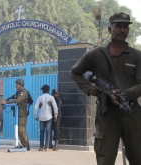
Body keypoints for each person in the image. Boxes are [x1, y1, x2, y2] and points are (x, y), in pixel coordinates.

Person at [70, 12, 141, 165]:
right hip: (107, 114)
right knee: (105, 159)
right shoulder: (96, 54)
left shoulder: (136, 56)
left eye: (125, 27)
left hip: (132, 114)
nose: (122, 30)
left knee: (138, 157)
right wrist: (89, 88)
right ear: (110, 29)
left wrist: (124, 94)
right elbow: (75, 72)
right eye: (118, 26)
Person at [0, 79, 30, 151]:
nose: (15, 85)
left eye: (17, 84)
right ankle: (23, 145)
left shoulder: (24, 92)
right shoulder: (17, 93)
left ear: (20, 85)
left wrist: (6, 102)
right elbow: (13, 98)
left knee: (21, 130)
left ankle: (26, 146)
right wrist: (6, 100)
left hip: (22, 114)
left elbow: (18, 100)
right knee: (19, 131)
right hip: (18, 114)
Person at [34, 84, 58, 152]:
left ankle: (41, 147)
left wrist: (36, 115)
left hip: (41, 117)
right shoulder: (51, 98)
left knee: (41, 132)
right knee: (48, 132)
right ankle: (47, 147)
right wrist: (55, 115)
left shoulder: (39, 98)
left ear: (42, 90)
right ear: (48, 90)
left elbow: (35, 107)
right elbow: (55, 107)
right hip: (49, 117)